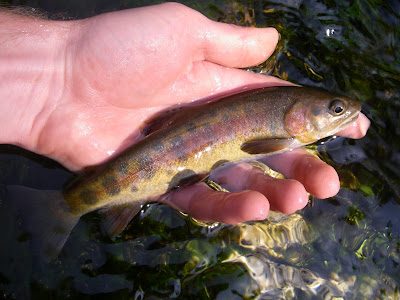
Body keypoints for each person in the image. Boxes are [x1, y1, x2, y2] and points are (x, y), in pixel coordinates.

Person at [0, 3, 369, 224]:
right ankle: (64, 207)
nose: (343, 113)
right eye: (335, 109)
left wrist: (54, 71)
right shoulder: (283, 134)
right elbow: (261, 148)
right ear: (298, 113)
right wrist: (60, 66)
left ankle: (69, 206)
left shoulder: (283, 124)